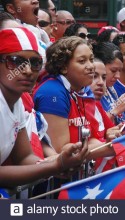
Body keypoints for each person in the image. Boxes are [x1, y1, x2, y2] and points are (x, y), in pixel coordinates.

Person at [0, 27, 88, 188]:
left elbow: (24, 157)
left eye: (35, 62)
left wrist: (57, 164)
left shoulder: (17, 102)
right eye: (15, 61)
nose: (27, 70)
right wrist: (55, 166)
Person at [34, 36, 115, 160]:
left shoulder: (84, 90)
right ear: (63, 67)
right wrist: (115, 147)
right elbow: (61, 151)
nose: (91, 66)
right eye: (82, 61)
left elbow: (90, 138)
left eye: (91, 59)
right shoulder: (52, 92)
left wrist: (111, 143)